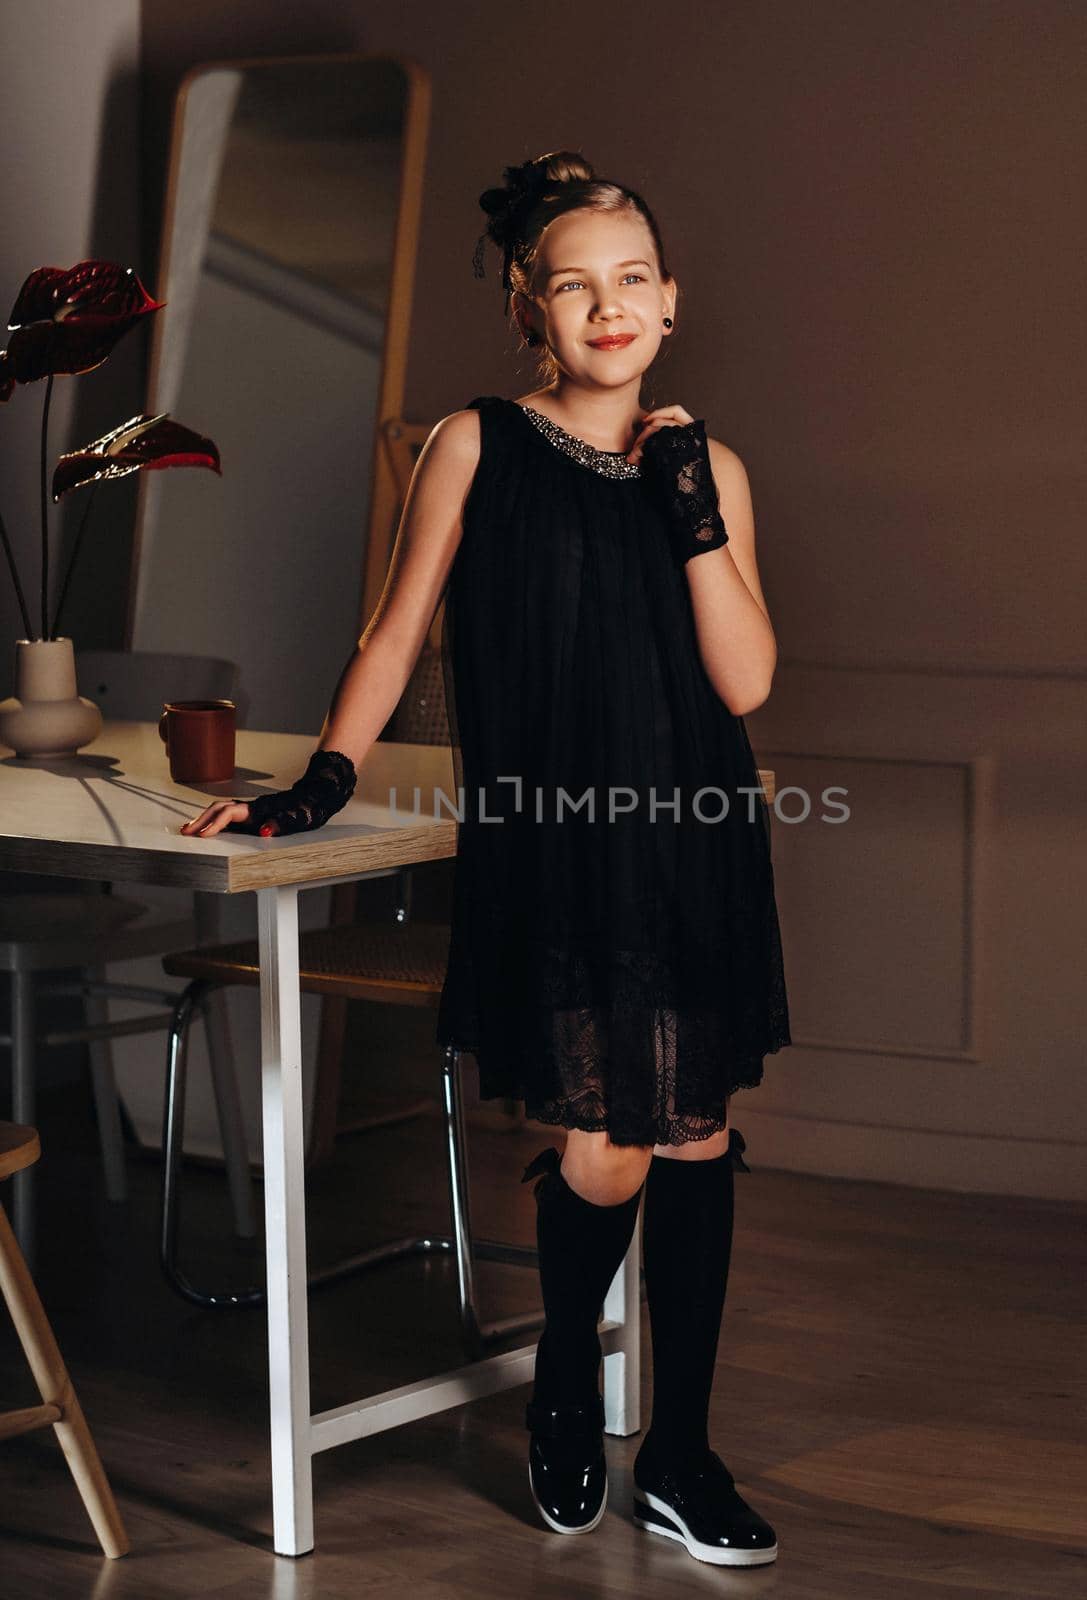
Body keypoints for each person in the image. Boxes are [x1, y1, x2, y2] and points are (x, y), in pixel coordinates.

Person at [179, 148, 789, 1567]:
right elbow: (395, 632)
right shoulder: (475, 445)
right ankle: (567, 1377)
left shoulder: (713, 469)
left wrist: (692, 502)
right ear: (531, 311)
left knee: (693, 1131)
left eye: (632, 281)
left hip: (693, 846)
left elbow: (747, 679)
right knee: (610, 1141)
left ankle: (684, 1452)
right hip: (557, 854)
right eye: (574, 287)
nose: (609, 307)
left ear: (672, 301)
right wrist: (316, 779)